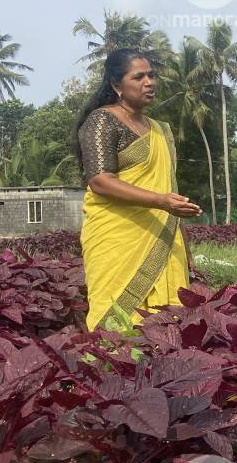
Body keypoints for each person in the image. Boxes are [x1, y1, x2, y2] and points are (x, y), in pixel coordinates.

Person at [75, 48, 202, 331]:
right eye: (139, 76)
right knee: (115, 322)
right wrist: (160, 201)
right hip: (117, 237)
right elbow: (100, 181)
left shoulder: (161, 130)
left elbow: (169, 188)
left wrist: (184, 243)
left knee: (167, 325)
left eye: (152, 75)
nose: (150, 82)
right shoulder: (102, 121)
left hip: (163, 235)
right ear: (116, 85)